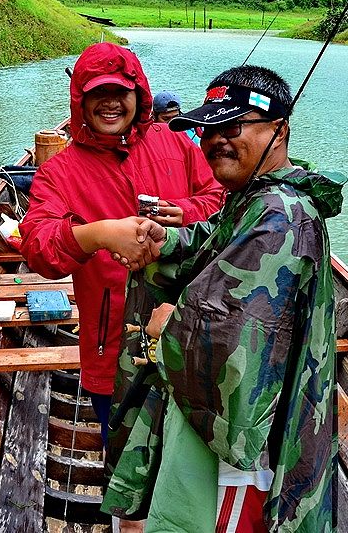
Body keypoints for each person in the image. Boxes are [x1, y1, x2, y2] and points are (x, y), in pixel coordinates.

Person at [102, 65, 346, 532]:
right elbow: (217, 242)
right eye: (209, 128)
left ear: (280, 130)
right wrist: (165, 240)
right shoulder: (257, 199)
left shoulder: (281, 216)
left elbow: (240, 342)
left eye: (232, 127)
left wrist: (168, 327)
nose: (215, 140)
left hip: (244, 444)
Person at [18, 41, 223, 438]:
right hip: (110, 350)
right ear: (80, 99)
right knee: (122, 454)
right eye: (98, 93)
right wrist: (99, 234)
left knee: (187, 458)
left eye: (120, 92)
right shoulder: (59, 172)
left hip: (192, 336)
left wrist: (184, 213)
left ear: (139, 95)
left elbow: (219, 199)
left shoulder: (176, 142)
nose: (110, 103)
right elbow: (38, 248)